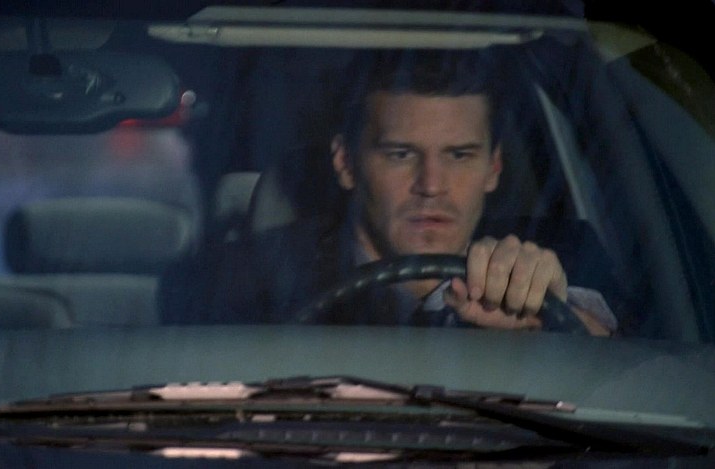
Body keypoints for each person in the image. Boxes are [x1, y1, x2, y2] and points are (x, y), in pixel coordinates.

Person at [160, 49, 616, 336]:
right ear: (346, 163)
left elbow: (645, 372)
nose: (431, 185)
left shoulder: (570, 255)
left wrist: (560, 323)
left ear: (493, 167)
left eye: (459, 155)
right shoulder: (247, 281)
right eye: (401, 154)